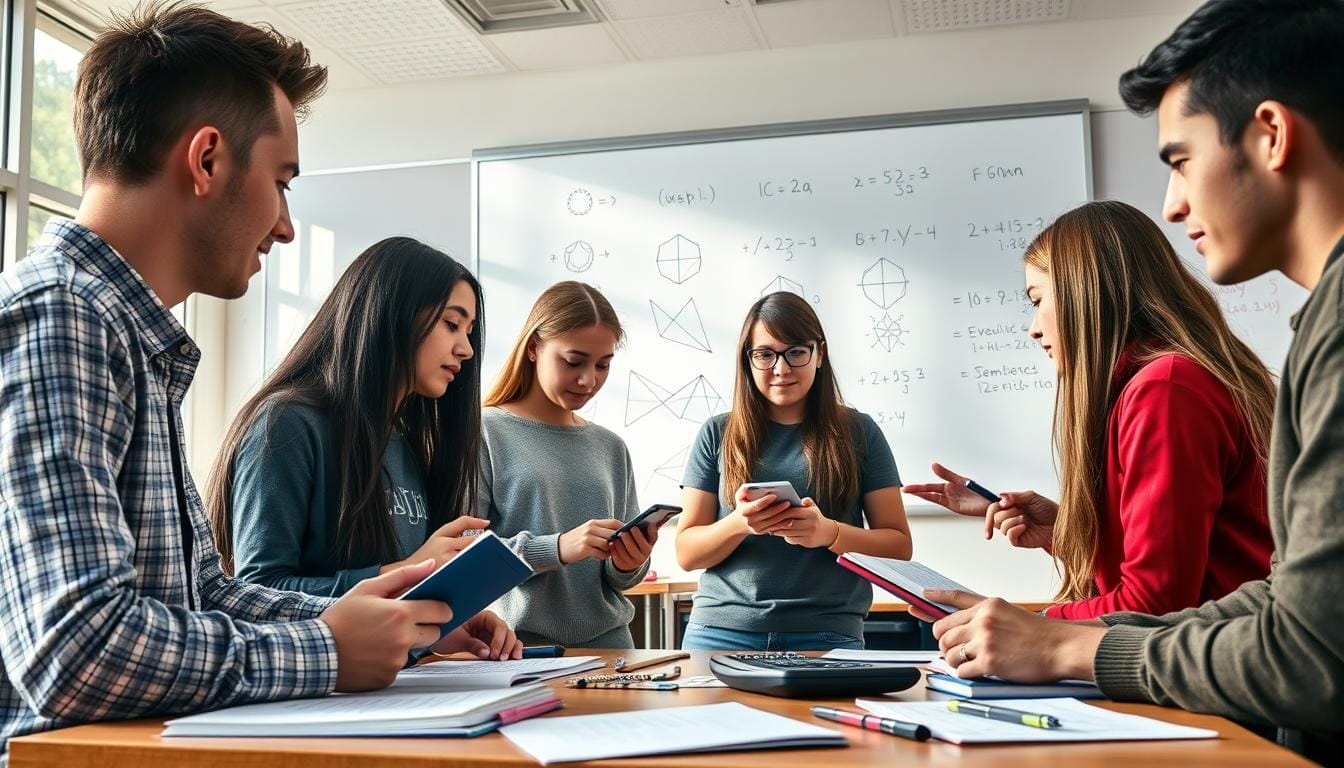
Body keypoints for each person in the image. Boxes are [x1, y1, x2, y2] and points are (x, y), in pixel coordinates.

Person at [0, 4, 504, 758]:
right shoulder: (64, 318)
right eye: (281, 180)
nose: (286, 225)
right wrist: (327, 651)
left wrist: (377, 613)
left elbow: (210, 594)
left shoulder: (127, 336)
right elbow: (78, 647)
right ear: (207, 161)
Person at [918, 1, 1344, 761]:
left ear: (1272, 135)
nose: (1175, 205)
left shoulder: (1169, 386)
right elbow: (1277, 603)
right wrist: (1064, 549)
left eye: (1180, 162)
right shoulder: (1305, 332)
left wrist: (1055, 645)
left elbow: (1292, 646)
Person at [904, 201, 1275, 620]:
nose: (1033, 328)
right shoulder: (1162, 382)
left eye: (1038, 299)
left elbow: (1155, 606)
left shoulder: (1167, 388)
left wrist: (1025, 628)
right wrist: (1065, 532)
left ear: (1085, 295)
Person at [208, 236, 518, 658]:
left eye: (469, 331)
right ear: (393, 315)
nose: (465, 349)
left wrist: (441, 625)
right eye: (451, 323)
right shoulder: (288, 424)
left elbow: (381, 609)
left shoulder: (406, 444)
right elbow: (256, 595)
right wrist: (406, 573)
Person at [675, 291, 912, 651]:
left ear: (820, 354)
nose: (781, 369)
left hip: (828, 634)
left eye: (796, 352)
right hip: (719, 633)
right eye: (765, 354)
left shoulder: (859, 432)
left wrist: (828, 532)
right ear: (748, 361)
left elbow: (898, 546)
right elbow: (687, 553)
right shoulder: (717, 432)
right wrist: (741, 522)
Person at [478, 281, 654, 648]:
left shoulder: (611, 447)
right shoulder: (484, 432)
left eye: (603, 365)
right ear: (533, 348)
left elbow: (620, 580)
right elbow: (464, 553)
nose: (589, 380)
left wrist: (629, 562)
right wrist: (556, 548)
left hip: (613, 650)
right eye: (573, 361)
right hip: (518, 651)